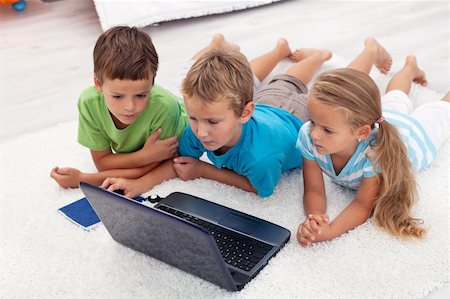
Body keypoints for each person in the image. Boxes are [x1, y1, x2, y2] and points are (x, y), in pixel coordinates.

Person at [102, 37, 332, 198]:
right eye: (193, 118)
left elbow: (259, 188)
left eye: (212, 122)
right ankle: (280, 50)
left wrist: (204, 170)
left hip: (296, 118)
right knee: (281, 81)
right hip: (264, 107)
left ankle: (321, 56)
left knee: (327, 97)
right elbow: (179, 162)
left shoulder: (261, 159)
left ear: (244, 113)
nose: (201, 132)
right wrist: (138, 185)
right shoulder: (199, 127)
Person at [296, 38, 450, 247]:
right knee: (395, 96)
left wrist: (329, 231)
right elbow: (313, 189)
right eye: (312, 121)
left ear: (361, 132)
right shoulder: (311, 135)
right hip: (387, 117)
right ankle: (410, 67)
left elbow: (362, 206)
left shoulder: (376, 154)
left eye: (327, 130)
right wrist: (315, 219)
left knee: (441, 110)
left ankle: (413, 71)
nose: (314, 134)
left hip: (414, 137)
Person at [50, 25, 188, 189]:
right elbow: (103, 163)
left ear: (152, 84)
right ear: (98, 84)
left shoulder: (165, 108)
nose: (130, 107)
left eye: (141, 95)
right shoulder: (89, 103)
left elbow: (154, 167)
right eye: (117, 96)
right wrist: (143, 156)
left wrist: (84, 179)